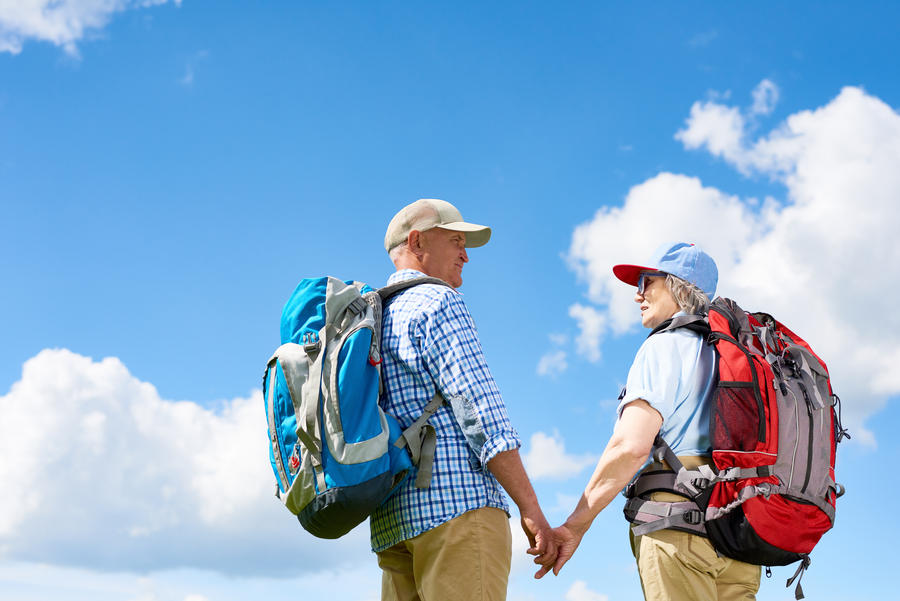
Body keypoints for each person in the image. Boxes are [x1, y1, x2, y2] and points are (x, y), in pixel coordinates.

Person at [537, 242, 761, 601]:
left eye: (646, 282)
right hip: (739, 539)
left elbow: (631, 446)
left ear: (677, 285)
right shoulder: (740, 357)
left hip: (679, 529)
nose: (638, 294)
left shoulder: (664, 346)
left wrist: (575, 525)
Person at [371, 198, 556, 601]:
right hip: (457, 510)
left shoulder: (373, 319)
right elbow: (479, 412)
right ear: (417, 242)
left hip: (392, 522)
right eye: (456, 240)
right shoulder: (438, 302)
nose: (465, 256)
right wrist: (530, 508)